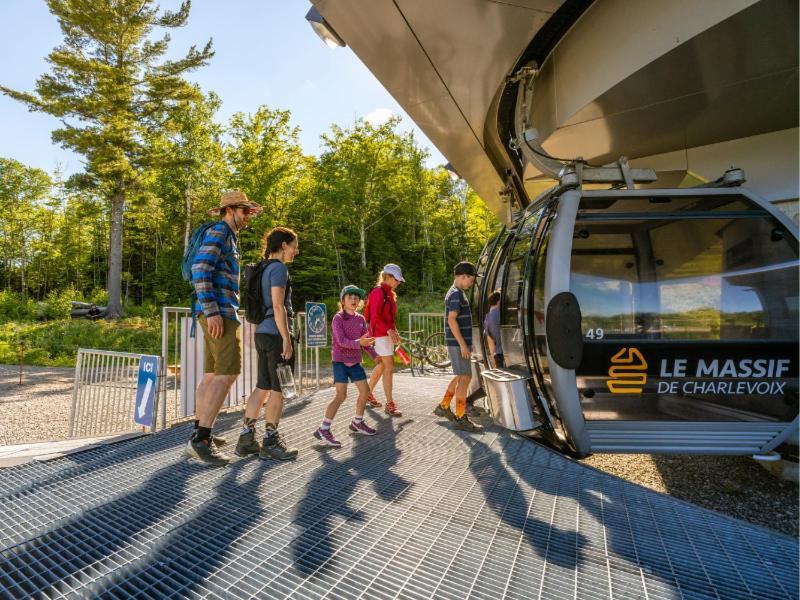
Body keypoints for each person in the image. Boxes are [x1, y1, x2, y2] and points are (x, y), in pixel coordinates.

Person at [187, 190, 262, 465]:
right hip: (219, 312)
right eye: (245, 211)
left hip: (212, 312)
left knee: (211, 374)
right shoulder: (220, 232)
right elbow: (200, 269)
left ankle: (198, 431)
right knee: (228, 373)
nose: (248, 217)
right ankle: (202, 440)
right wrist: (213, 311)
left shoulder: (226, 234)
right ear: (230, 210)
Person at [234, 227, 300, 461]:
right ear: (283, 245)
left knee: (262, 386)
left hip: (261, 332)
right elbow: (278, 305)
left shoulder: (261, 268)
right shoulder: (279, 269)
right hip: (275, 335)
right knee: (279, 388)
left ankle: (246, 439)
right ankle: (271, 441)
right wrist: (286, 338)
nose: (296, 251)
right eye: (294, 246)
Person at [313, 285, 378, 447]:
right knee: (341, 396)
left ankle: (358, 421)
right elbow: (341, 342)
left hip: (355, 362)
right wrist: (360, 342)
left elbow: (365, 342)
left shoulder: (361, 319)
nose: (354, 300)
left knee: (365, 392)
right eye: (350, 297)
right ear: (343, 301)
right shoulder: (338, 318)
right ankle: (324, 428)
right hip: (340, 362)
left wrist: (376, 356)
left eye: (357, 297)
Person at [434, 261, 483, 432]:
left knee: (460, 375)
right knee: (465, 377)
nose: (472, 283)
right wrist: (463, 345)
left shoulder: (456, 292)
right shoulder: (456, 294)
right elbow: (451, 320)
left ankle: (444, 405)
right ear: (463, 277)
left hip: (458, 343)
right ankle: (461, 416)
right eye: (471, 279)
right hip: (458, 343)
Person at [365, 264, 404, 417]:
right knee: (389, 365)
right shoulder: (377, 292)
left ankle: (367, 393)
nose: (399, 282)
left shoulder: (390, 294)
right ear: (387, 277)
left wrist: (395, 332)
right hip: (379, 334)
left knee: (382, 365)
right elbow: (375, 316)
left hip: (386, 333)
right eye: (396, 279)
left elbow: (390, 318)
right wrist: (388, 330)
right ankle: (389, 404)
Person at [483, 289, 504, 368]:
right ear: (499, 301)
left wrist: (493, 357)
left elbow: (490, 341)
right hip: (505, 353)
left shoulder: (487, 318)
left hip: (497, 354)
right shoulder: (500, 314)